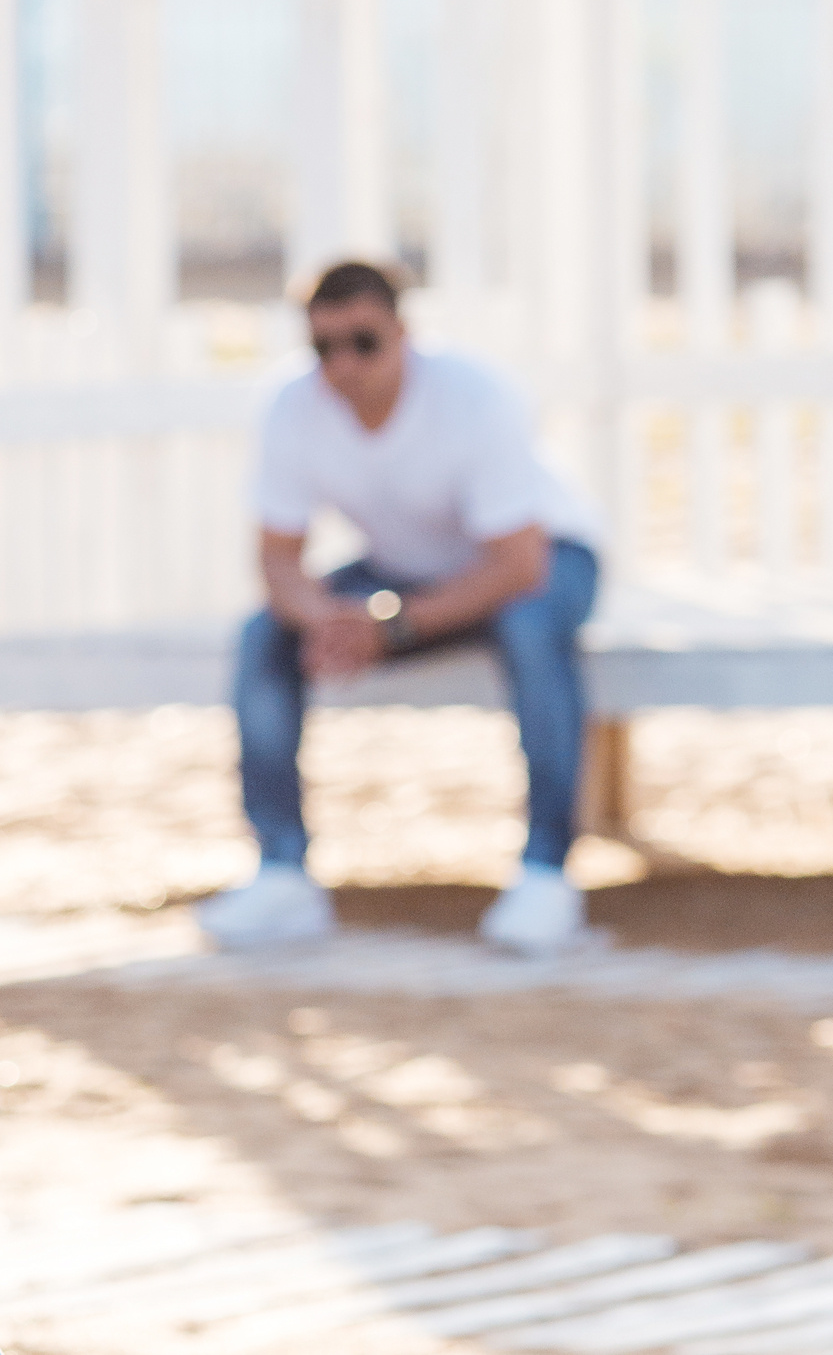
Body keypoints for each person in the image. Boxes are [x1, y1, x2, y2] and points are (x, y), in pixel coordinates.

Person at [196, 259, 606, 956]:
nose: (344, 364)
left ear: (404, 333)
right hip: (400, 570)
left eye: (363, 341)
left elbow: (518, 564)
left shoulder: (476, 397)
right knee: (264, 634)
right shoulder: (290, 407)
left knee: (532, 627)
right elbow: (276, 559)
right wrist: (322, 617)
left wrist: (393, 625)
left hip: (544, 558)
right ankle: (281, 870)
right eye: (324, 347)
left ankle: (546, 873)